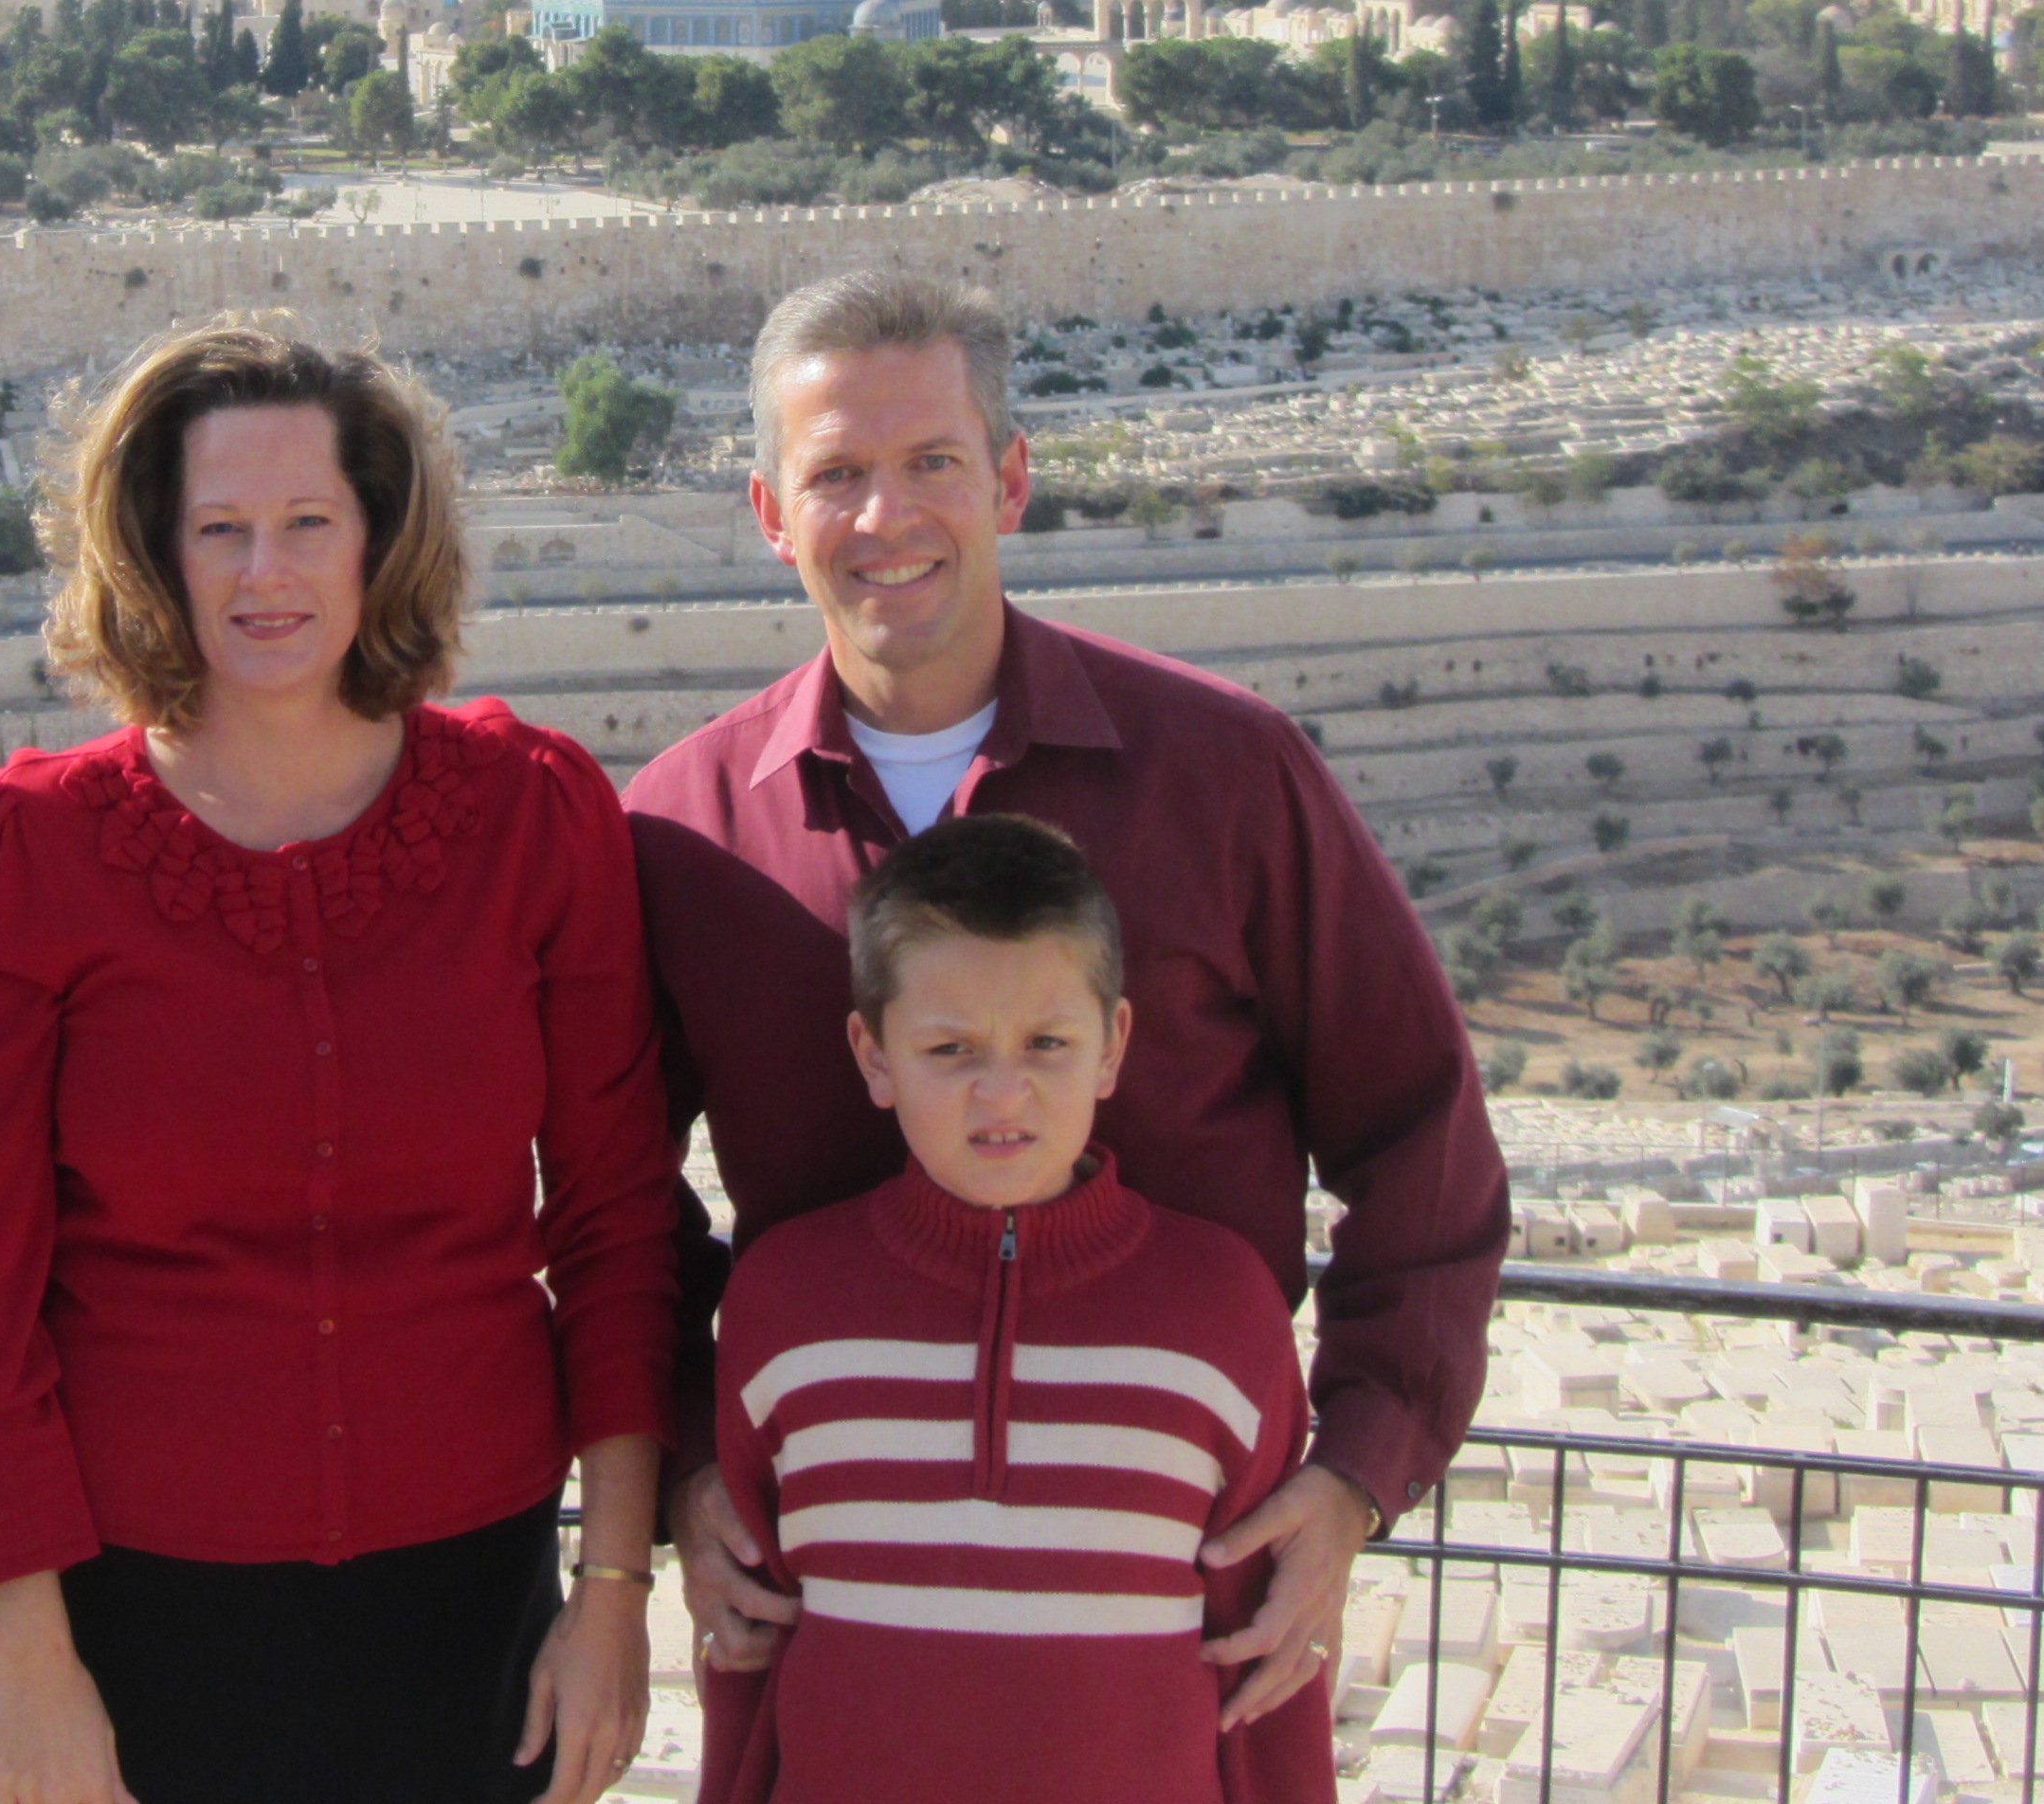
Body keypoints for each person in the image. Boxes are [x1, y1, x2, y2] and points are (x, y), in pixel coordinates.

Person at [625, 268, 1508, 1777]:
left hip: (1169, 1635)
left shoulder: (1228, 776)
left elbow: (1417, 1127)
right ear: (772, 514)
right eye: (834, 475)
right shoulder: (685, 828)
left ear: (1012, 482)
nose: (884, 517)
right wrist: (690, 1464)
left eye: (932, 464)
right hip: (844, 1639)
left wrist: (1359, 1475)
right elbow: (611, 1197)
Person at [0, 321, 678, 1804]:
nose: (267, 573)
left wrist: (617, 1593)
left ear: (379, 537)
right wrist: (37, 1668)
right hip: (129, 1621)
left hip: (474, 1607)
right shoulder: (29, 852)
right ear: (154, 549)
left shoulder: (534, 816)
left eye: (308, 522)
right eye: (220, 530)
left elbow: (615, 1221)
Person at [709, 814, 1329, 1804]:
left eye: (1046, 1042)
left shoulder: (1219, 1310)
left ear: (1112, 1043)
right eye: (950, 1049)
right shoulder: (783, 1305)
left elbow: (1267, 1664)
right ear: (873, 1057)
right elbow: (748, 1651)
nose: (1004, 1094)